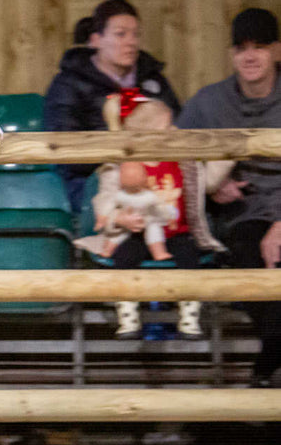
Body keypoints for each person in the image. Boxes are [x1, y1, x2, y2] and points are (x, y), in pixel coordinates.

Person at [177, 7, 281, 386]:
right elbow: (173, 155)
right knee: (248, 254)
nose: (250, 56)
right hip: (244, 213)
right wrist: (210, 180)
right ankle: (268, 369)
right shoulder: (209, 102)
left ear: (277, 50)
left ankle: (265, 369)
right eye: (241, 47)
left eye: (260, 46)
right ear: (231, 54)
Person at [74, 92, 221, 339]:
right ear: (147, 134)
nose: (174, 129)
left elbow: (210, 180)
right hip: (137, 232)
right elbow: (106, 200)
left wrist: (228, 156)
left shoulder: (182, 161)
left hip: (175, 230)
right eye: (167, 126)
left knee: (189, 257)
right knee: (125, 257)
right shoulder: (124, 166)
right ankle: (128, 316)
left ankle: (189, 317)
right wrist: (120, 219)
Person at [44, 0, 182, 211]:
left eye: (135, 34)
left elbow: (178, 125)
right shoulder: (69, 83)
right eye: (121, 34)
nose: (131, 42)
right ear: (96, 40)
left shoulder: (153, 79)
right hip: (93, 179)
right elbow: (64, 148)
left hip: (155, 174)